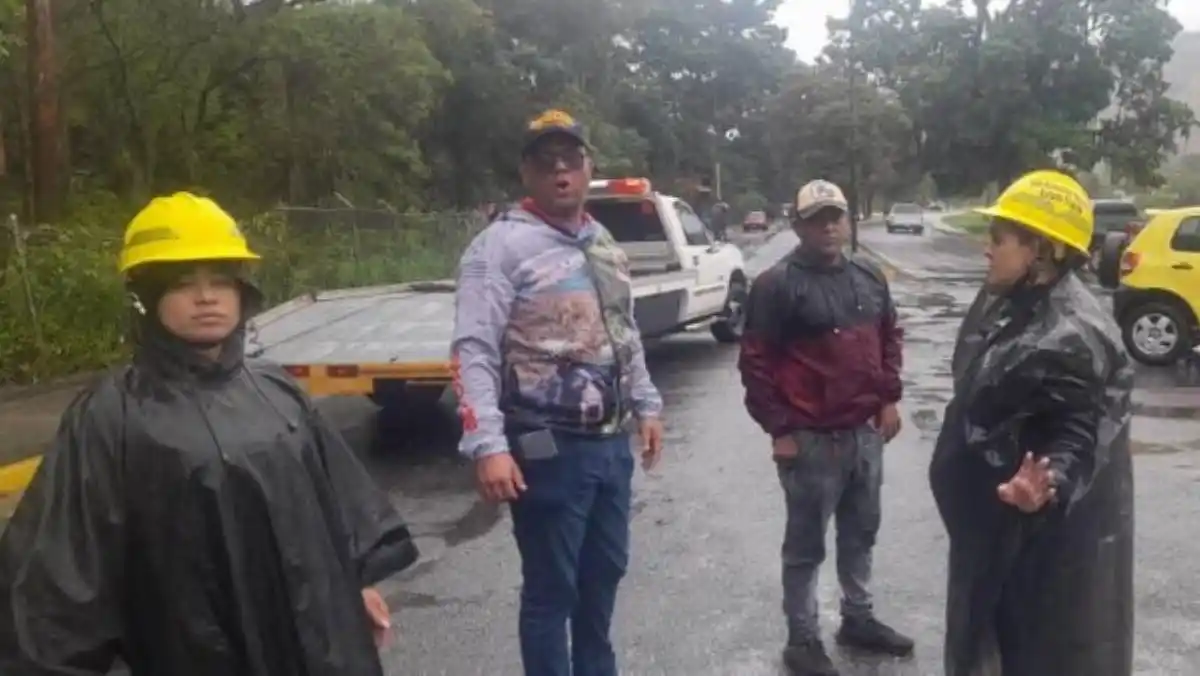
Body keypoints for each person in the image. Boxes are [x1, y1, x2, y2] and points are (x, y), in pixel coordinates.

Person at [0, 193, 419, 675]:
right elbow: (58, 584)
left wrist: (358, 584)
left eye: (220, 280)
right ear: (146, 297)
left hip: (321, 651)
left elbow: (337, 506)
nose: (206, 297)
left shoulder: (276, 391)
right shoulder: (111, 417)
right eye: (183, 283)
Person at [451, 109, 665, 676]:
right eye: (546, 163)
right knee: (552, 589)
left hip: (610, 443)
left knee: (605, 573)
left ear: (589, 166)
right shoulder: (499, 247)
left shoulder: (602, 241)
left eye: (571, 159)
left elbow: (624, 329)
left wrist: (647, 404)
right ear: (527, 173)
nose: (561, 172)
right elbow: (473, 349)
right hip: (547, 447)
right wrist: (487, 445)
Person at [928, 170, 1134, 676]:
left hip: (1039, 562)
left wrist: (1049, 483)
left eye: (999, 239)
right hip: (997, 537)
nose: (986, 249)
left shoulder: (1070, 335)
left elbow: (1079, 432)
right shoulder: (1019, 303)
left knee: (1028, 655)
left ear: (1040, 250)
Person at [738, 179, 914, 676]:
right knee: (805, 546)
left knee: (861, 532)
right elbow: (755, 363)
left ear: (847, 220)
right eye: (817, 219)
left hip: (864, 433)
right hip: (811, 440)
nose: (829, 227)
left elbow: (889, 336)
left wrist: (888, 398)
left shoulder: (868, 275)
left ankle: (858, 618)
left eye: (835, 216)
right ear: (798, 226)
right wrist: (780, 430)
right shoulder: (776, 285)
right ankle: (802, 639)